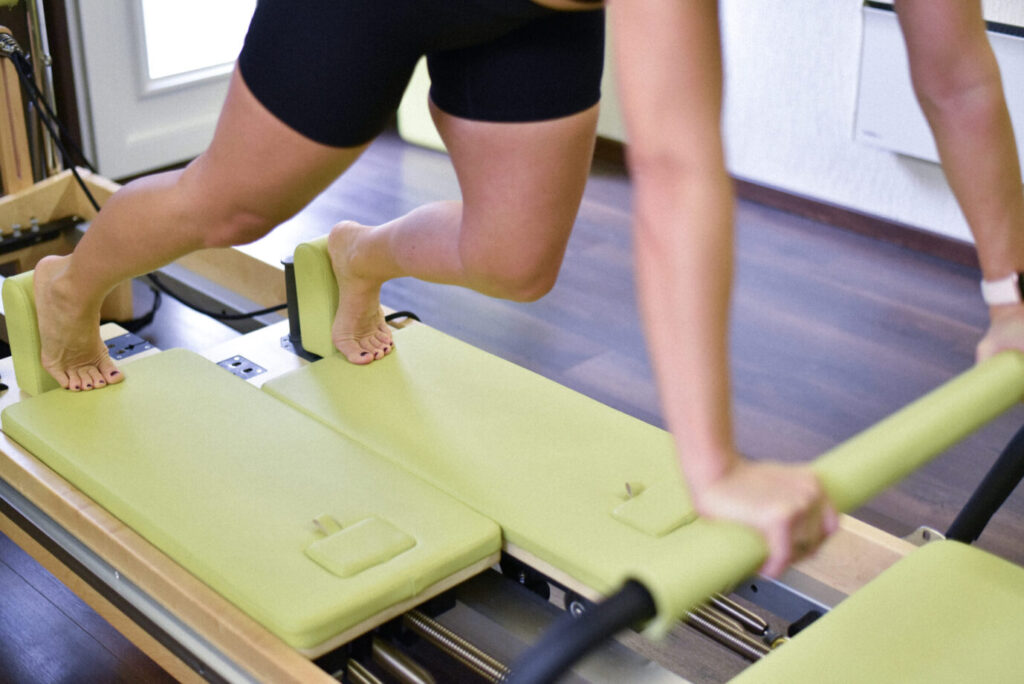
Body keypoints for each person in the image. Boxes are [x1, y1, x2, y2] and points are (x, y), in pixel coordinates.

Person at [30, 0, 1024, 579]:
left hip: (538, 13)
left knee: (514, 260)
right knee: (231, 206)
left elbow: (958, 76)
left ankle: (362, 256)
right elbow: (676, 168)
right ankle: (70, 287)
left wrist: (1009, 294)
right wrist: (714, 466)